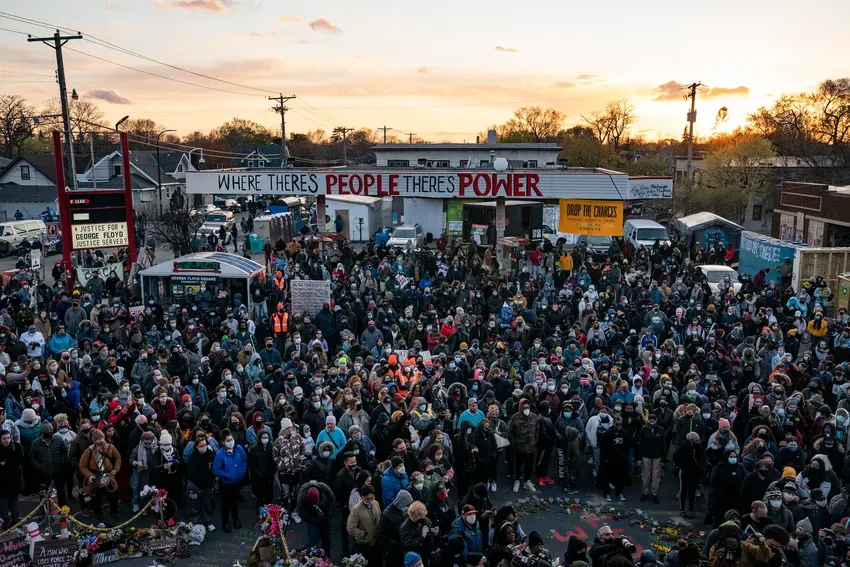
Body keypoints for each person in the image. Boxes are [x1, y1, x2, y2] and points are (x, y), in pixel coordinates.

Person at [78, 428, 121, 525]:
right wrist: (90, 476)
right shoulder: (88, 451)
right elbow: (82, 466)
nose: (101, 440)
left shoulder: (110, 447)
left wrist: (115, 470)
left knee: (113, 498)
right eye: (98, 439)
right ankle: (99, 517)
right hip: (95, 478)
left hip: (109, 476)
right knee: (96, 500)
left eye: (102, 438)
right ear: (94, 441)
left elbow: (118, 458)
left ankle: (114, 515)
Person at [212, 430, 247, 533]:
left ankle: (236, 519)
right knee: (225, 504)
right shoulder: (220, 455)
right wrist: (228, 475)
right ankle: (225, 522)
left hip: (237, 482)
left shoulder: (239, 449)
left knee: (235, 503)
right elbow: (216, 469)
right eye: (228, 440)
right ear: (223, 442)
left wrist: (241, 472)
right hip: (226, 484)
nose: (231, 442)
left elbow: (244, 460)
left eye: (232, 439)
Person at [186, 435, 216, 532]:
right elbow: (192, 474)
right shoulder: (192, 458)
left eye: (205, 445)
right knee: (194, 504)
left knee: (207, 503)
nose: (203, 447)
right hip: (195, 485)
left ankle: (208, 521)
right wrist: (200, 484)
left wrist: (211, 481)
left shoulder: (210, 453)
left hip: (207, 484)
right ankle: (194, 522)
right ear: (196, 447)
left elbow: (213, 468)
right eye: (201, 446)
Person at [346, 484, 381, 567]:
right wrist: (363, 534)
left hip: (375, 543)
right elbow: (350, 528)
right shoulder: (356, 510)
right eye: (367, 499)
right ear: (362, 497)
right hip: (363, 545)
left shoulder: (376, 504)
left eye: (372, 498)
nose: (370, 500)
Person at [298, 480, 335, 554]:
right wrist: (318, 520)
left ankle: (326, 558)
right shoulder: (301, 498)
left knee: (327, 539)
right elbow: (304, 516)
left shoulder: (325, 488)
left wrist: (329, 514)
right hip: (312, 521)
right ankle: (314, 559)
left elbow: (332, 499)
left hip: (326, 518)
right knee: (313, 541)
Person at [0, 429, 22, 526]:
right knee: (3, 502)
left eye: (8, 438)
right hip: (2, 481)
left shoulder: (16, 446)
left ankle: (15, 518)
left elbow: (20, 460)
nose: (6, 441)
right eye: (4, 438)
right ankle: (5, 520)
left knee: (14, 501)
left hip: (14, 480)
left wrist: (6, 462)